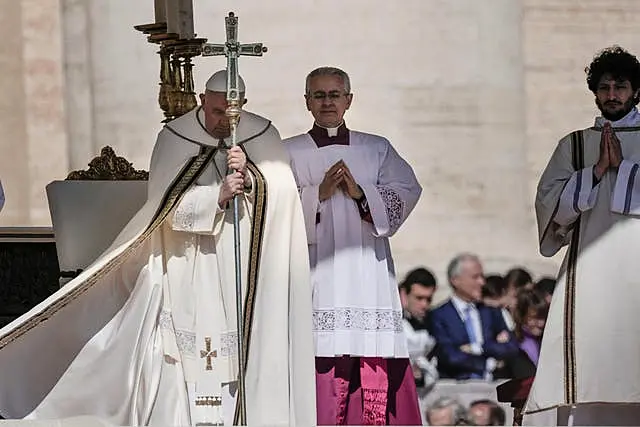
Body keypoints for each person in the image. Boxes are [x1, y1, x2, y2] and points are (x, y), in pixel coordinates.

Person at [0, 70, 316, 426]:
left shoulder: (262, 134)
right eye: (215, 112)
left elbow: (285, 201)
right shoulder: (174, 136)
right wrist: (218, 195)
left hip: (244, 267)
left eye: (232, 113)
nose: (223, 122)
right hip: (187, 263)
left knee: (243, 349)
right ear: (201, 100)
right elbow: (164, 209)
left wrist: (254, 177)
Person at [284, 66, 423, 425]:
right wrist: (318, 194)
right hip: (318, 270)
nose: (327, 102)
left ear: (349, 100)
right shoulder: (288, 152)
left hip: (367, 271)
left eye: (334, 94)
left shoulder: (376, 148)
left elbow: (407, 190)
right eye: (319, 95)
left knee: (370, 352)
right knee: (322, 353)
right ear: (307, 102)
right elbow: (273, 211)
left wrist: (362, 193)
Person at [525, 45, 640, 424]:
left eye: (620, 87)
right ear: (595, 92)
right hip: (589, 273)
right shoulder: (574, 145)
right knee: (587, 385)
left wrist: (624, 172)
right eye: (604, 87)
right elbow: (548, 203)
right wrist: (592, 173)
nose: (611, 95)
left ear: (635, 91)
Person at [428, 253, 519, 380]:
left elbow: (511, 347)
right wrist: (488, 363)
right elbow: (449, 356)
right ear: (455, 280)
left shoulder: (491, 312)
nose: (482, 282)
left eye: (482, 276)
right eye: (475, 277)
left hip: (493, 386)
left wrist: (478, 347)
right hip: (457, 387)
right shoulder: (439, 315)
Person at [398, 268, 439, 394]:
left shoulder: (434, 322)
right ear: (404, 295)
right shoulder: (389, 324)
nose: (424, 305)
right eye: (419, 298)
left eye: (428, 299)